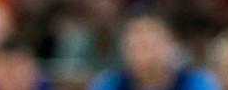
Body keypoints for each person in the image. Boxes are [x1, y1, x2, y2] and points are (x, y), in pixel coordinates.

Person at [86, 17, 215, 90]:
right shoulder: (110, 83)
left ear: (170, 46)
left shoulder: (196, 81)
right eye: (136, 46)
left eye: (149, 45)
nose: (144, 54)